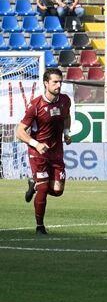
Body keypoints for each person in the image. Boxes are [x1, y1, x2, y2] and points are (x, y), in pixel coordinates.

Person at [16, 68, 71, 234]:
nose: (58, 85)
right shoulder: (36, 105)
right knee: (43, 188)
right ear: (46, 83)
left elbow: (67, 116)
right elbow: (19, 131)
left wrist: (67, 132)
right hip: (38, 152)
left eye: (60, 82)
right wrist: (36, 143)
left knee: (57, 190)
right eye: (55, 82)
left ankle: (35, 185)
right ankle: (40, 226)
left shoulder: (65, 100)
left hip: (56, 151)